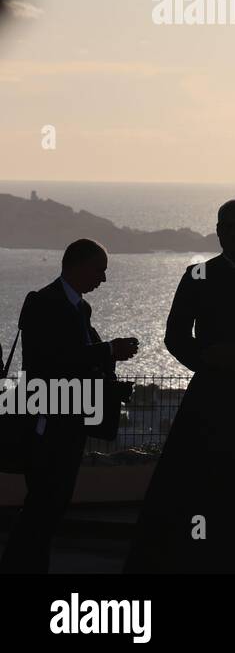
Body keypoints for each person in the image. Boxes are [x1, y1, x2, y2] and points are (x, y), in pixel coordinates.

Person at [125, 200, 235, 573]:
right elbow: (175, 334)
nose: (232, 232)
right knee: (197, 479)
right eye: (226, 226)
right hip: (210, 394)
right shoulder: (197, 275)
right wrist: (207, 360)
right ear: (218, 230)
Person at [0, 239, 139, 573]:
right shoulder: (42, 303)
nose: (102, 279)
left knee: (50, 507)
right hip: (47, 422)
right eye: (99, 270)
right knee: (44, 506)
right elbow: (50, 362)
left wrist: (108, 373)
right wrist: (107, 352)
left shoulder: (79, 308)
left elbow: (78, 362)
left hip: (69, 423)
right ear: (77, 266)